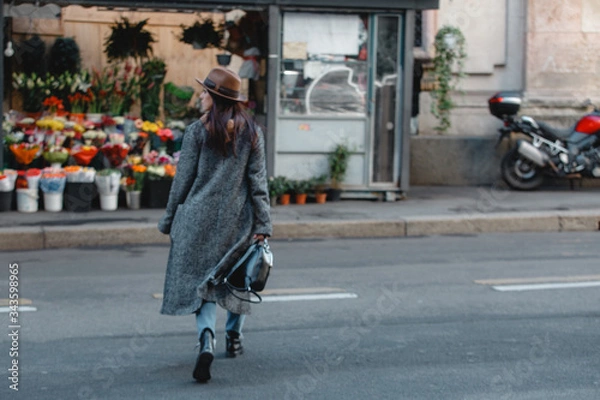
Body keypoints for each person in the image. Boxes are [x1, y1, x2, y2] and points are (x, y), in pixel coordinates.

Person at [157, 67, 272, 383]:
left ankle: (206, 338)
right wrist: (263, 223)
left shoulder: (197, 131)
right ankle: (234, 336)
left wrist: (168, 219)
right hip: (237, 223)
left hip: (197, 221)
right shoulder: (252, 133)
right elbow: (257, 183)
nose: (201, 96)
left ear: (216, 98)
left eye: (205, 92)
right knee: (235, 280)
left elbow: (182, 182)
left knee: (203, 284)